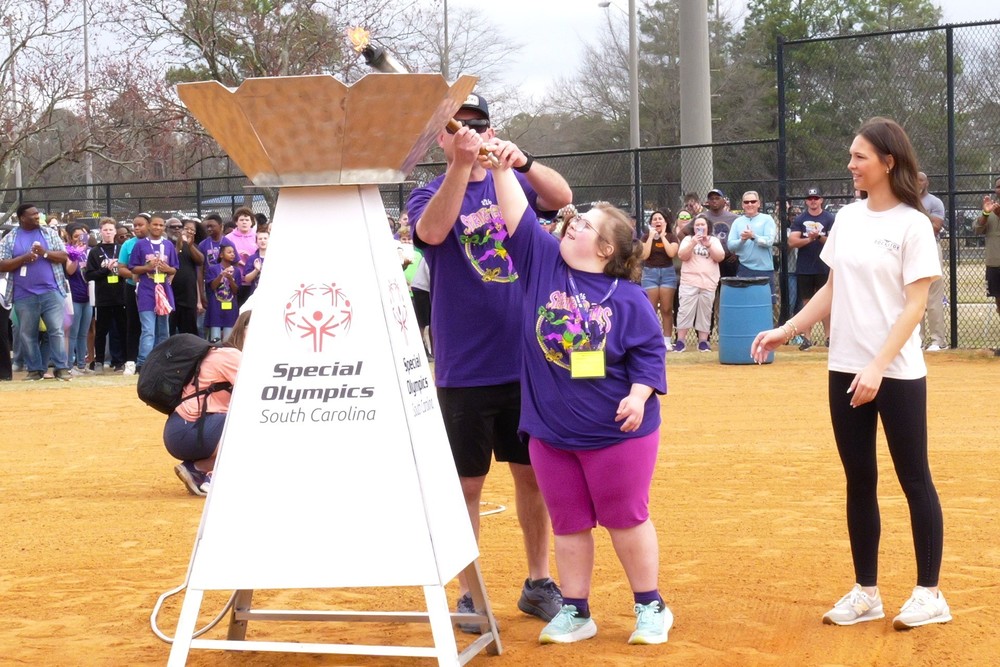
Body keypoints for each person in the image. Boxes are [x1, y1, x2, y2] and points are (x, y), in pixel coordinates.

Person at [751, 117, 949, 631]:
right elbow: (832, 289)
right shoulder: (849, 219)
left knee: (914, 478)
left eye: (860, 156)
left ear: (888, 161)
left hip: (896, 372)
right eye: (851, 155)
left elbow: (915, 305)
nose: (851, 164)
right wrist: (786, 329)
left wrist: (878, 366)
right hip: (844, 367)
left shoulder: (913, 224)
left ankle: (930, 593)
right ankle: (867, 592)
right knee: (859, 479)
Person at [406, 92, 571, 630]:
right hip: (465, 366)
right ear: (442, 136)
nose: (471, 131)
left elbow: (562, 196)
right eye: (459, 125)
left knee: (533, 476)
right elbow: (432, 233)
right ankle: (469, 592)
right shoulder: (428, 193)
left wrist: (523, 162)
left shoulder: (511, 181)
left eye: (478, 123)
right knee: (467, 485)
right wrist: (460, 166)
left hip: (526, 360)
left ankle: (539, 581)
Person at [491, 160, 670, 644]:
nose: (573, 222)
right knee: (569, 524)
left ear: (606, 248)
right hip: (551, 433)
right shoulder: (543, 263)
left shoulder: (628, 298)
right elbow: (516, 216)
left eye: (586, 224)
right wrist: (502, 165)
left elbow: (649, 354)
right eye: (576, 218)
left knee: (625, 518)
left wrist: (639, 395)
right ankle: (576, 611)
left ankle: (650, 606)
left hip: (616, 432)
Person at [167, 309, 249, 496]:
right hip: (189, 430)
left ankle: (195, 469)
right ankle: (214, 478)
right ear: (243, 329)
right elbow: (255, 394)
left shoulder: (222, 351)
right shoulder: (233, 356)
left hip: (181, 429)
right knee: (251, 421)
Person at [0, 204, 71, 381]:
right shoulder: (10, 238)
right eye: (32, 215)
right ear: (22, 218)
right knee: (27, 334)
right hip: (23, 294)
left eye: (37, 214)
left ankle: (61, 368)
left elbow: (63, 256)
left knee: (56, 331)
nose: (37, 217)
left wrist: (45, 253)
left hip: (51, 291)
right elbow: (2, 264)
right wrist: (23, 258)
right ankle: (35, 370)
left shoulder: (49, 233)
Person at [129, 216, 179, 372]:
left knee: (164, 329)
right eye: (155, 224)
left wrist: (167, 269)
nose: (158, 227)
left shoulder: (168, 245)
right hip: (146, 291)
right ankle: (143, 363)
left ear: (164, 227)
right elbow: (133, 268)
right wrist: (147, 267)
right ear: (149, 226)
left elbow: (174, 268)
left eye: (161, 225)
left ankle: (161, 361)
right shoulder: (140, 245)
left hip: (163, 291)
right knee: (148, 329)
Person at [788, 187, 835, 349]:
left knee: (826, 304)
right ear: (806, 201)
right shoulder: (800, 219)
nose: (813, 201)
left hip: (824, 266)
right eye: (810, 198)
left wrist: (819, 237)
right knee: (807, 303)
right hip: (805, 267)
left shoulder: (829, 218)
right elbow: (792, 241)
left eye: (816, 198)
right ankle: (807, 339)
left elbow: (834, 241)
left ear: (821, 200)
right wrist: (809, 239)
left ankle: (828, 337)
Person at [675, 216, 725, 352]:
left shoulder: (714, 240)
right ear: (693, 227)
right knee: (685, 311)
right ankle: (680, 341)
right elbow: (682, 256)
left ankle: (703, 341)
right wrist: (693, 243)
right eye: (697, 225)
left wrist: (708, 245)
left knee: (705, 312)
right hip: (689, 282)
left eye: (703, 224)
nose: (700, 227)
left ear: (708, 227)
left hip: (708, 283)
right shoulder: (688, 239)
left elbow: (720, 257)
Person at [84, 218, 126, 372]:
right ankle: (99, 361)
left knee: (121, 330)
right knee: (101, 330)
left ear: (115, 232)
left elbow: (128, 269)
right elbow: (89, 275)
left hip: (121, 296)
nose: (108, 233)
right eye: (105, 230)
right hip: (103, 297)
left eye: (110, 230)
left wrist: (119, 270)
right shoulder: (95, 251)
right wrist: (105, 269)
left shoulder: (121, 249)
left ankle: (121, 361)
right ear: (100, 232)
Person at [640, 210, 679, 350]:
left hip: (667, 274)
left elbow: (671, 253)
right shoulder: (645, 237)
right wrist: (651, 237)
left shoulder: (672, 237)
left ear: (665, 222)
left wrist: (662, 237)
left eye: (660, 219)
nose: (657, 221)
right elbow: (644, 255)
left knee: (666, 308)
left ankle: (667, 340)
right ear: (651, 223)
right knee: (651, 309)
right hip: (650, 274)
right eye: (654, 219)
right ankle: (651, 340)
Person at [727, 191, 777, 300]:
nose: (750, 204)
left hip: (764, 270)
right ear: (742, 205)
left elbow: (769, 241)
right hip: (744, 269)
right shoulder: (737, 222)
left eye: (753, 201)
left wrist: (753, 237)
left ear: (758, 203)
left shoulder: (767, 219)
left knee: (765, 303)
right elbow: (730, 245)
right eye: (746, 202)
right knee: (744, 302)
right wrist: (742, 240)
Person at [917, 172, 947, 351]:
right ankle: (917, 339)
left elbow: (936, 227)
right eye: (914, 180)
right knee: (913, 295)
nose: (918, 183)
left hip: (930, 247)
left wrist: (919, 211)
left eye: (921, 180)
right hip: (911, 249)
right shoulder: (904, 201)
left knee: (934, 296)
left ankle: (937, 340)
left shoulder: (935, 202)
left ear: (927, 183)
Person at [117, 214, 149, 375]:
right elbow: (121, 268)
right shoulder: (128, 244)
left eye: (140, 225)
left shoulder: (159, 243)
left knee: (151, 326)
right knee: (133, 324)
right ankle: (131, 360)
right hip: (132, 288)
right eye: (135, 225)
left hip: (154, 289)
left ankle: (151, 360)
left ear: (149, 225)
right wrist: (135, 275)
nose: (137, 228)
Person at [974, 176, 1000, 351]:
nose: (999, 189)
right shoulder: (990, 209)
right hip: (994, 263)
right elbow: (977, 229)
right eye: (998, 186)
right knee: (999, 302)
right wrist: (985, 213)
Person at [166, 217, 204, 336]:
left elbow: (200, 261)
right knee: (169, 331)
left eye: (180, 227)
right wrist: (179, 245)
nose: (177, 229)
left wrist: (189, 245)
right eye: (173, 227)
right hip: (170, 295)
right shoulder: (165, 245)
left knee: (189, 332)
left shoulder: (191, 246)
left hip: (188, 296)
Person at [63, 224, 94, 373]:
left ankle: (82, 364)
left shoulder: (90, 251)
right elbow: (70, 270)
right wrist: (75, 254)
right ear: (70, 237)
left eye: (82, 236)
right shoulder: (67, 251)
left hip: (88, 296)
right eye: (76, 236)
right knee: (72, 333)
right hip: (74, 296)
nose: (80, 239)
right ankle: (70, 364)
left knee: (84, 332)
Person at [204, 244, 242, 343]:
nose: (232, 254)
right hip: (216, 307)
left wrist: (230, 279)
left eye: (233, 252)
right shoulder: (213, 269)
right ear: (221, 255)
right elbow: (212, 286)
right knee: (215, 339)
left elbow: (236, 291)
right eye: (229, 252)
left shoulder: (236, 271)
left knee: (227, 340)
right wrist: (221, 275)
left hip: (230, 308)